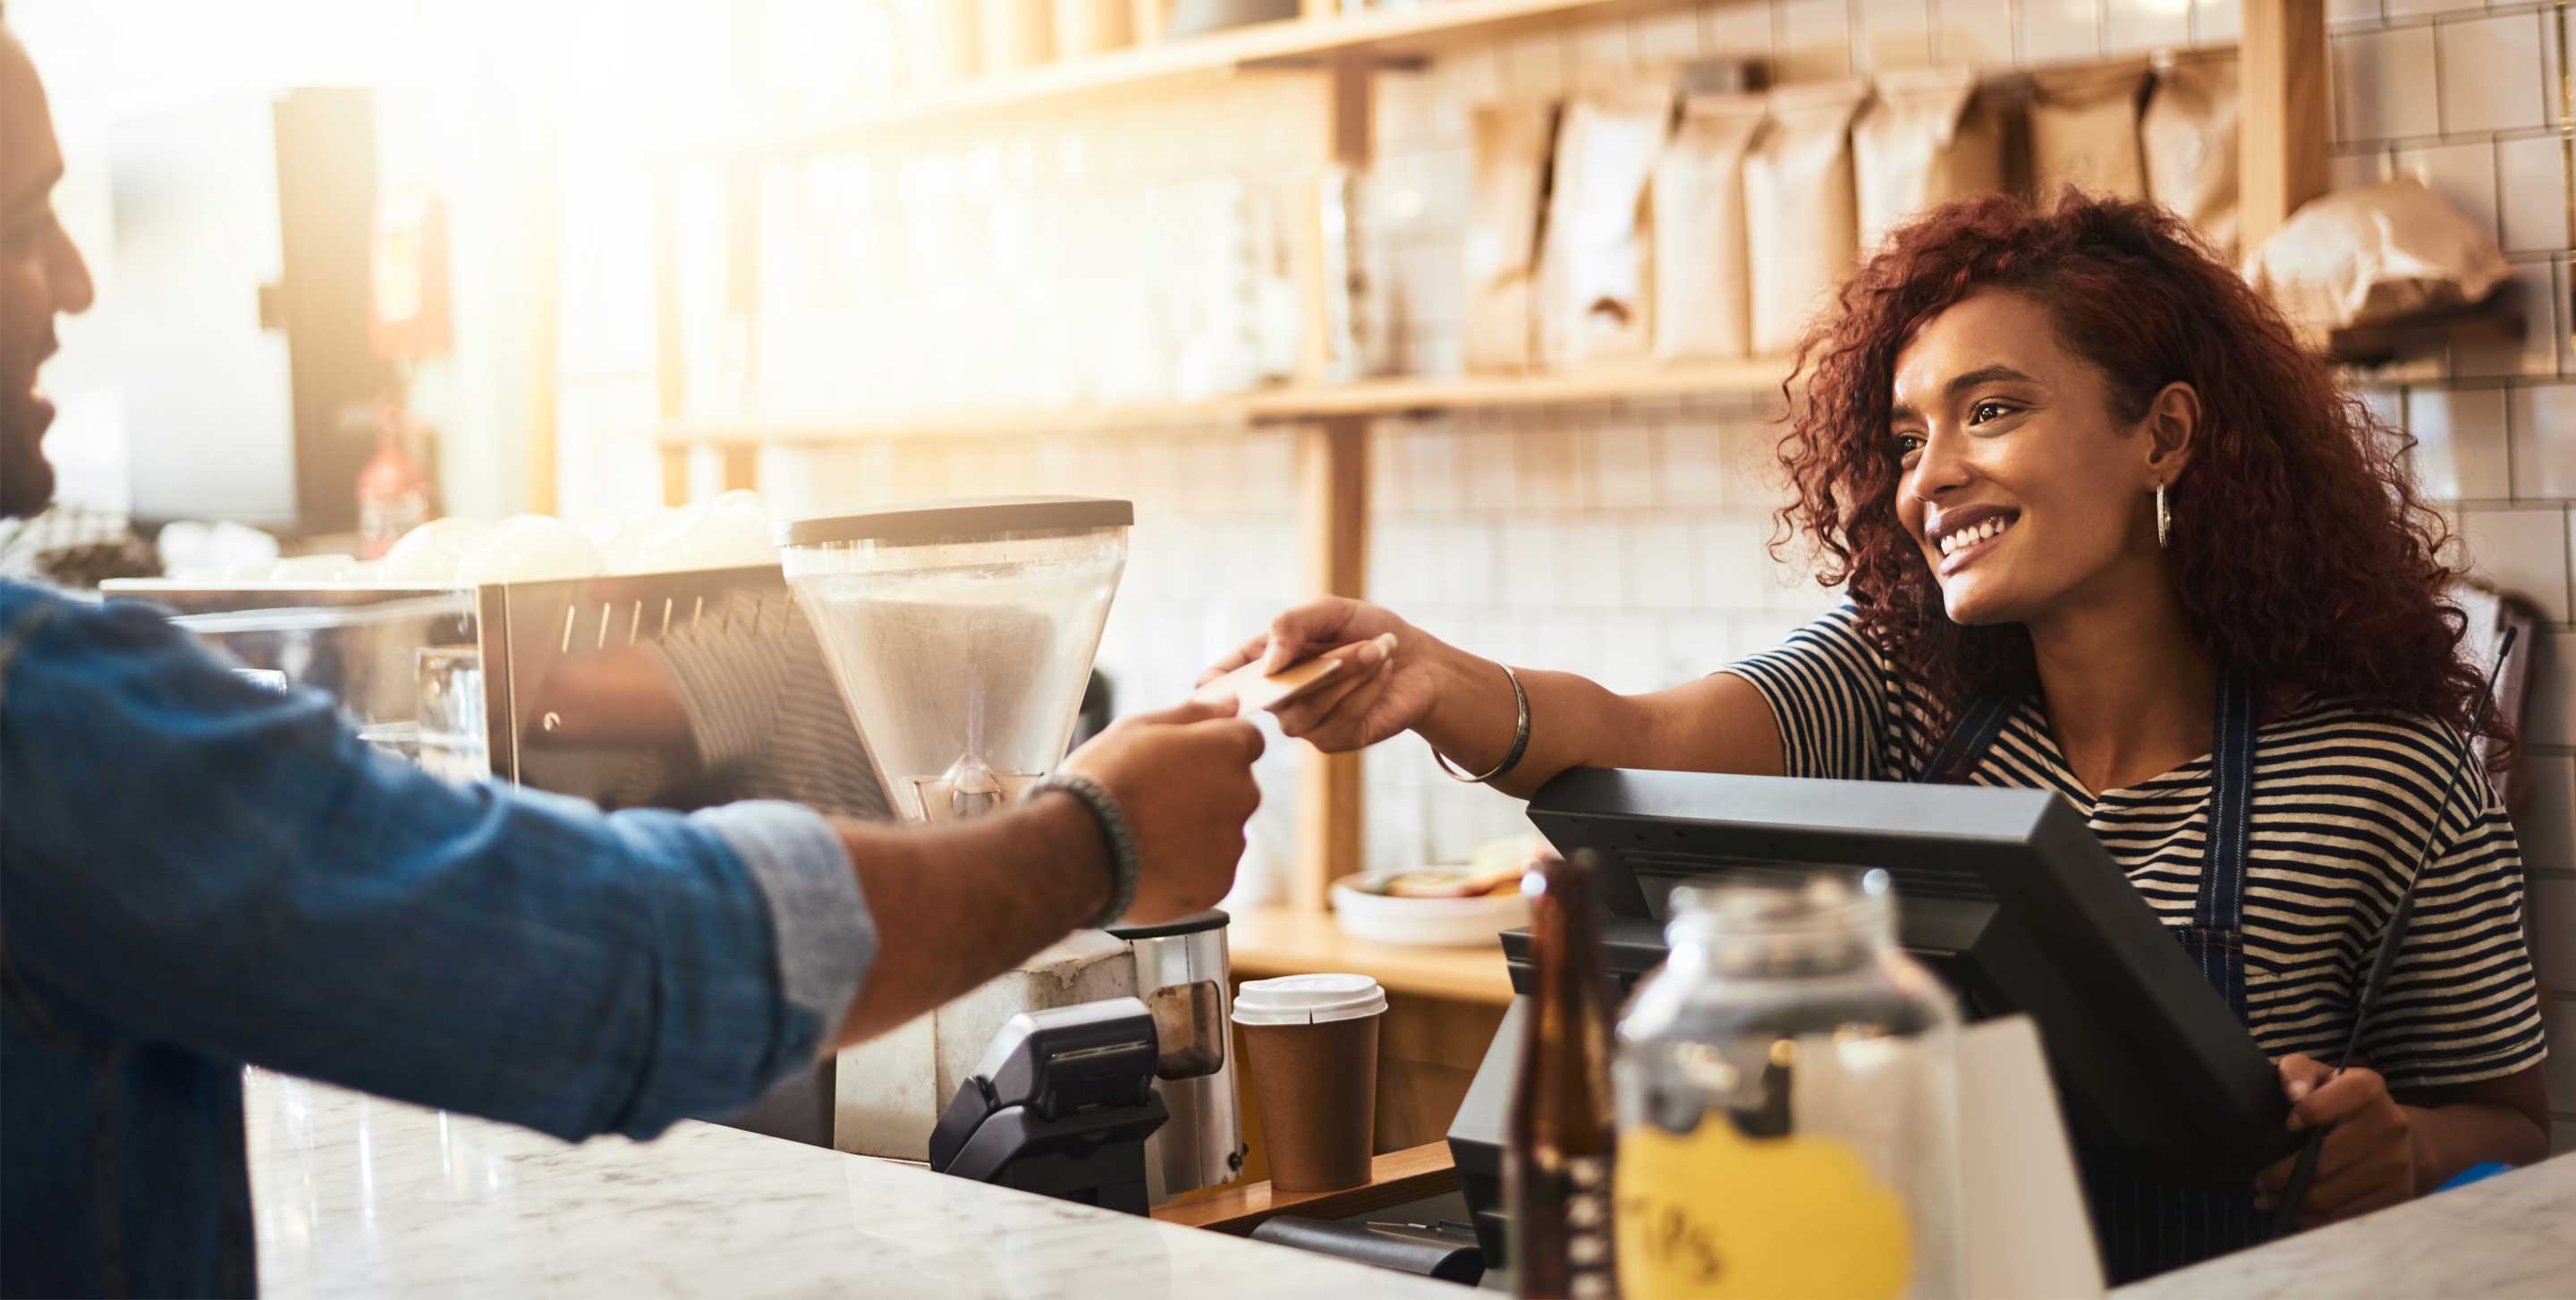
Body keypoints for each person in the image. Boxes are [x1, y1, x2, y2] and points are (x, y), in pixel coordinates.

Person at [0, 23, 1263, 1297]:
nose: (80, 282)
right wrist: (1093, 836)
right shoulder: (36, 715)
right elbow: (607, 951)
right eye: (22, 224)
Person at [1209, 194, 2550, 1281]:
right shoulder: (1895, 692)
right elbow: (1635, 742)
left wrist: (2404, 1148)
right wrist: (1433, 679)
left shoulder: (2389, 770)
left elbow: (2509, 1125)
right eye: (1909, 434)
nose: (1931, 475)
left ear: (2167, 434)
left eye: (1994, 408)